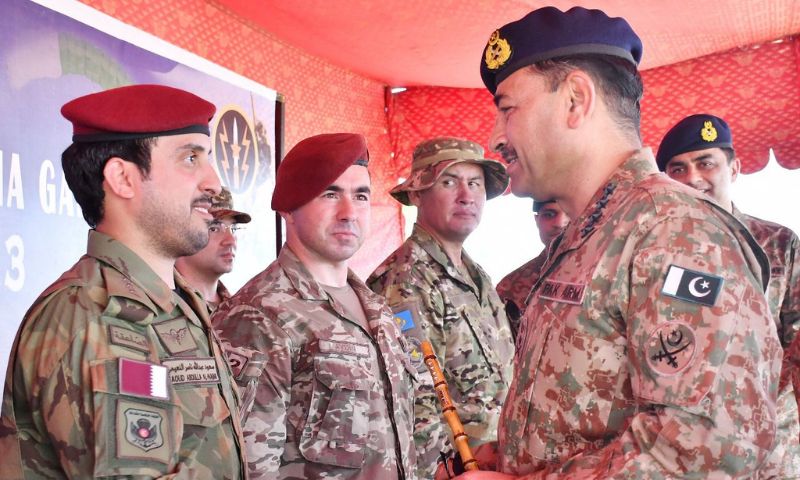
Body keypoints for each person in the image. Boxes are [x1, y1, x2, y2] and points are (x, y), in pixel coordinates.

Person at [446, 6, 781, 479]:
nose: (496, 135)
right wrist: (515, 456)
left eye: (507, 108)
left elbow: (704, 454)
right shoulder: (595, 232)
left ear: (576, 100)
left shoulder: (672, 230)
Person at [0, 84, 247, 478]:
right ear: (123, 178)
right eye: (190, 159)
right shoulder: (92, 315)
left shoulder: (174, 300)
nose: (213, 183)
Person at [212, 133, 418, 479]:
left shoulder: (377, 310)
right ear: (289, 208)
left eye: (361, 195)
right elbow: (247, 468)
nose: (349, 212)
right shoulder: (258, 315)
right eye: (330, 194)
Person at [658, 113, 800, 478]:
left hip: (772, 450)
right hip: (684, 452)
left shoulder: (778, 243)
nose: (693, 177)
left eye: (706, 163)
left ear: (734, 169)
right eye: (678, 169)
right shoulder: (653, 253)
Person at [368, 137, 515, 479]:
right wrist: (443, 470)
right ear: (417, 194)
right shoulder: (406, 279)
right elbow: (410, 394)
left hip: (494, 463)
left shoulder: (475, 273)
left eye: (474, 183)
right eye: (449, 182)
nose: (466, 195)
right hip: (453, 469)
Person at [495, 199, 569, 336]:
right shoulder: (510, 287)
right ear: (537, 220)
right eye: (549, 214)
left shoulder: (610, 271)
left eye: (569, 213)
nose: (559, 224)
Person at [176, 186, 252, 313]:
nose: (231, 241)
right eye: (214, 228)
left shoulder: (239, 308)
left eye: (233, 228)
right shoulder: (165, 304)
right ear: (181, 233)